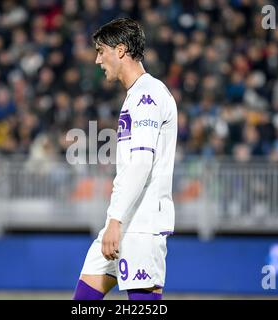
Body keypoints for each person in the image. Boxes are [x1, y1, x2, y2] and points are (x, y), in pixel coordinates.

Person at [73, 18, 178, 300]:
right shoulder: (136, 96)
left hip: (141, 224)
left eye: (100, 51)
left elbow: (141, 164)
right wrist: (114, 220)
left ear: (120, 50)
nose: (97, 60)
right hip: (122, 220)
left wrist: (116, 221)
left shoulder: (148, 96)